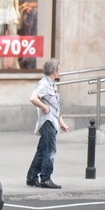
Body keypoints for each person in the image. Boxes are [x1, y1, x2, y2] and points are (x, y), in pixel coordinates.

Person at [26, 58, 69, 189]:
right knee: (50, 151)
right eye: (59, 69)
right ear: (54, 71)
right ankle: (45, 178)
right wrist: (44, 107)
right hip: (47, 122)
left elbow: (55, 107)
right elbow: (32, 98)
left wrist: (62, 123)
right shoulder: (44, 84)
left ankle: (32, 177)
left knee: (42, 150)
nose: (60, 72)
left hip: (52, 121)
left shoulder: (51, 84)